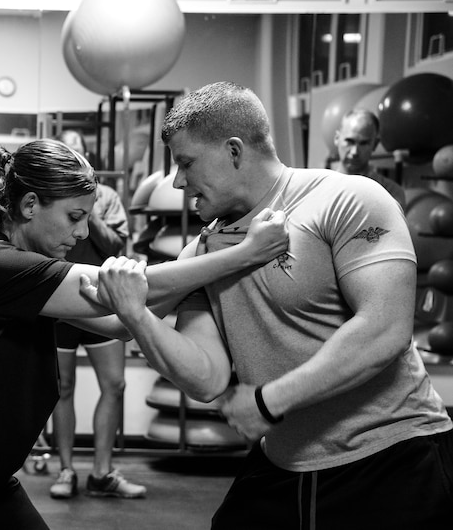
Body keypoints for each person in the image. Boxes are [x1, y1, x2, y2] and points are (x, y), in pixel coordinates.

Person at [0, 138, 288, 530]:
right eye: (74, 217)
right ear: (29, 204)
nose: (83, 234)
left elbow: (120, 320)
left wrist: (201, 247)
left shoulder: (30, 280)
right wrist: (244, 253)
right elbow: (113, 291)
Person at [82, 82, 453, 529]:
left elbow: (385, 329)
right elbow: (205, 375)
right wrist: (134, 315)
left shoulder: (346, 199)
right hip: (284, 460)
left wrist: (268, 401)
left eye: (185, 163)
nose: (179, 182)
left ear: (234, 151)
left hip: (391, 456)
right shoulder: (207, 249)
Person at [47, 130, 143, 500]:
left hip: (101, 298)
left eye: (79, 148)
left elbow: (117, 245)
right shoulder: (51, 199)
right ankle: (67, 470)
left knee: (115, 384)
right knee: (61, 389)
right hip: (58, 301)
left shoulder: (107, 198)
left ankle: (102, 473)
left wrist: (88, 210)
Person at [333, 108, 406, 209]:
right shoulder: (320, 188)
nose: (354, 152)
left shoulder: (390, 193)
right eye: (350, 141)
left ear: (375, 144)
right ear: (337, 138)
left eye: (363, 143)